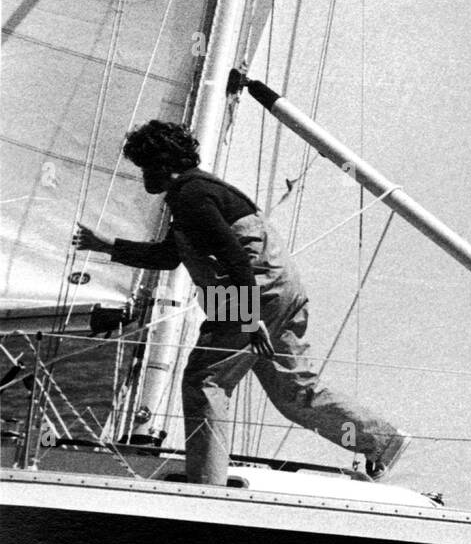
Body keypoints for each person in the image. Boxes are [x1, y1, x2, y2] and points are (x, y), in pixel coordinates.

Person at [73, 120, 409, 486]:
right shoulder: (201, 191)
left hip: (247, 294)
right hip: (280, 289)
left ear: (164, 163)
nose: (143, 178)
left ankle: (207, 484)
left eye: (144, 167)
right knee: (294, 391)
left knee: (205, 380)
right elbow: (171, 256)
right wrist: (106, 246)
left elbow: (232, 256)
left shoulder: (191, 196)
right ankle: (382, 441)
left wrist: (249, 319)